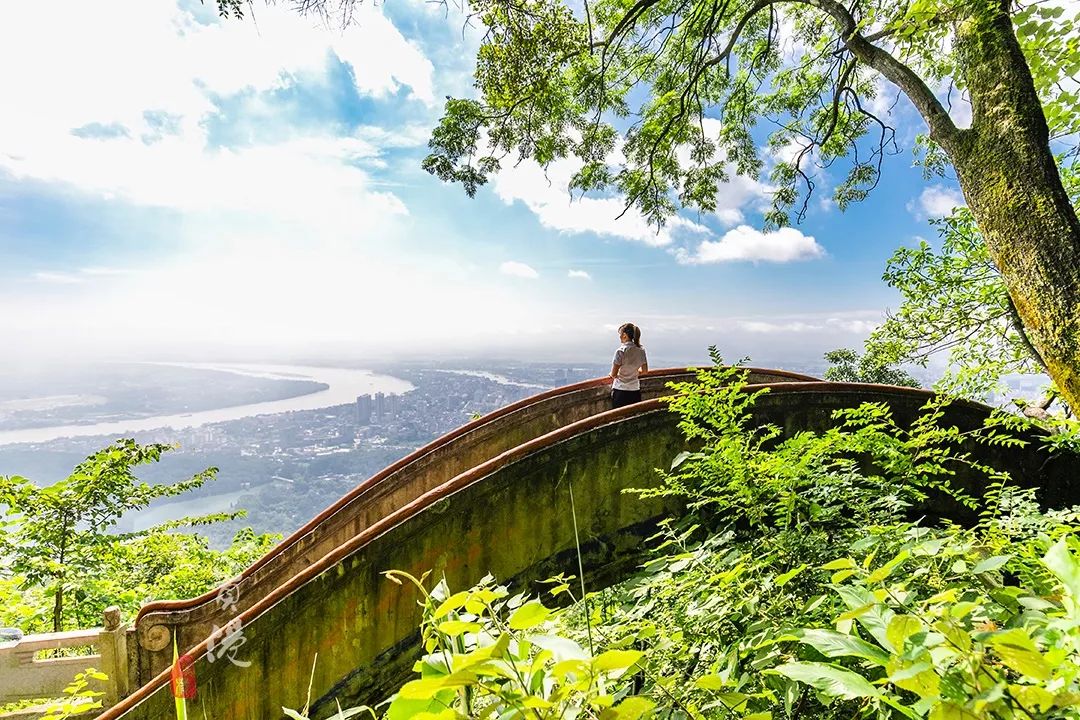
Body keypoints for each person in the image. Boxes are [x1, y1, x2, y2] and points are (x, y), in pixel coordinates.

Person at [610, 322, 648, 409]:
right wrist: (633, 372)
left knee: (619, 418)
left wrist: (616, 374)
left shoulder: (620, 351)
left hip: (620, 391)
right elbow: (645, 371)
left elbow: (613, 374)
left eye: (620, 334)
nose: (619, 336)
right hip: (635, 390)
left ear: (625, 335)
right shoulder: (641, 351)